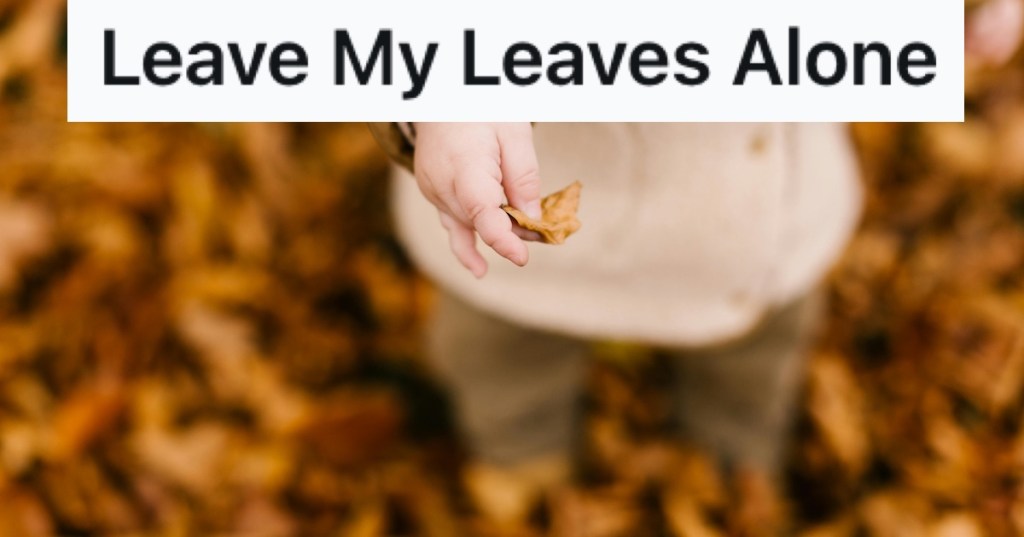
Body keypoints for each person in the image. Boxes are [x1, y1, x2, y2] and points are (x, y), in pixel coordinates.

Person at [370, 0, 1023, 525]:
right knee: (500, 355)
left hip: (748, 218)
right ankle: (521, 455)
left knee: (752, 362)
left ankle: (733, 465)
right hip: (519, 210)